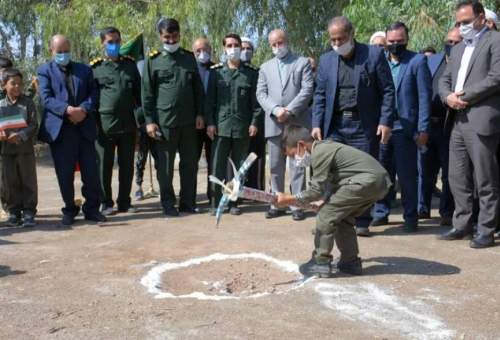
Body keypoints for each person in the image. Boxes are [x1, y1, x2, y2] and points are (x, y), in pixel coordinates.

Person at [311, 16, 395, 236]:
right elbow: (319, 95)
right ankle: (333, 218)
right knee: (333, 173)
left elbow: (387, 90)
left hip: (363, 125)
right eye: (333, 40)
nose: (337, 44)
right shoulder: (327, 60)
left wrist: (385, 121)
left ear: (352, 34)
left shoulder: (373, 55)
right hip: (335, 125)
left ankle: (362, 221)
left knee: (363, 175)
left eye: (341, 38)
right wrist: (316, 123)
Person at [276, 125, 391, 277]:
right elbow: (331, 182)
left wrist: (289, 199)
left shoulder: (320, 152)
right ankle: (350, 263)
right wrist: (324, 199)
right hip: (376, 182)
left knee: (326, 214)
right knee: (342, 218)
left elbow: (315, 190)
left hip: (367, 181)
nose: (295, 160)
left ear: (301, 145)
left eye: (292, 155)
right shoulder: (323, 148)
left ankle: (320, 262)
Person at [438, 0, 500, 248]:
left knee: (485, 178)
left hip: (481, 118)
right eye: (459, 23)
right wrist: (447, 96)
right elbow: (444, 79)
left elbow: (497, 77)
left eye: (466, 22)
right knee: (457, 176)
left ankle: (486, 229)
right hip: (457, 119)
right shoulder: (459, 48)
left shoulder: (495, 41)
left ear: (481, 17)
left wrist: (464, 96)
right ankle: (461, 224)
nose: (462, 27)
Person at [37, 34, 105, 226]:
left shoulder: (84, 69)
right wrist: (67, 110)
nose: (63, 55)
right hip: (61, 129)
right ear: (51, 51)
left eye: (66, 51)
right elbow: (46, 98)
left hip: (84, 127)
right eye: (59, 52)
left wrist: (83, 109)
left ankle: (92, 209)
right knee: (65, 173)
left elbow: (94, 92)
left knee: (90, 172)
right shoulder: (44, 71)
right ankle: (69, 209)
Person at [372, 22, 432, 232]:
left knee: (407, 176)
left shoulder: (417, 61)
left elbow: (425, 97)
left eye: (399, 41)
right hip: (382, 127)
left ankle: (410, 217)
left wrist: (423, 129)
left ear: (407, 40)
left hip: (406, 129)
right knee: (382, 173)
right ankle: (380, 213)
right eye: (391, 42)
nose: (395, 45)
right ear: (386, 41)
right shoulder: (379, 61)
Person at [142, 18, 205, 216]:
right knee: (165, 168)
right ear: (160, 36)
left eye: (174, 36)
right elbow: (147, 94)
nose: (171, 40)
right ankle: (168, 204)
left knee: (189, 164)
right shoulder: (153, 60)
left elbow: (198, 90)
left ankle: (188, 202)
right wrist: (150, 121)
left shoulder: (188, 58)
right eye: (166, 37)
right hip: (164, 123)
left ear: (179, 34)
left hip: (188, 122)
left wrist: (200, 114)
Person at [256, 29, 314, 221]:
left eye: (280, 43)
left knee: (299, 164)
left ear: (287, 41)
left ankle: (297, 204)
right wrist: (275, 110)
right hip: (274, 122)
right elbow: (261, 94)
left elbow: (307, 90)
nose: (277, 47)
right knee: (274, 165)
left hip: (297, 122)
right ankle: (276, 202)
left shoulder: (302, 62)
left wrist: (288, 110)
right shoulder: (265, 67)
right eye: (273, 44)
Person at [205, 33, 262, 215]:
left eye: (236, 45)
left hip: (242, 127)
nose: (233, 49)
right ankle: (215, 202)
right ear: (224, 48)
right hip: (221, 127)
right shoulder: (216, 72)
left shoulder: (251, 73)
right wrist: (210, 123)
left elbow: (256, 103)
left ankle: (234, 203)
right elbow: (209, 101)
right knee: (217, 165)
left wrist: (254, 122)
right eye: (229, 45)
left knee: (239, 168)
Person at [91, 27, 141, 216]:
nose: (114, 45)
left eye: (117, 41)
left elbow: (139, 96)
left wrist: (141, 122)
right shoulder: (95, 68)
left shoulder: (130, 65)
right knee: (104, 165)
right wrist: (93, 123)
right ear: (102, 43)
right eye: (110, 42)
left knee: (127, 165)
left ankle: (124, 202)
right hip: (105, 125)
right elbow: (92, 98)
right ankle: (106, 202)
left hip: (128, 123)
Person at [417, 27, 462, 226]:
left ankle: (446, 212)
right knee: (425, 170)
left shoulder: (463, 65)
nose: (451, 45)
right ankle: (422, 208)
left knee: (448, 172)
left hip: (449, 126)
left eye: (456, 42)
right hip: (428, 124)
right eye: (449, 41)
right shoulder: (431, 61)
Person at [0, 68, 38, 228]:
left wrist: (21, 135)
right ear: (3, 85)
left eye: (20, 84)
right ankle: (13, 212)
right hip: (5, 151)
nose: (17, 87)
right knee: (8, 182)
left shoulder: (28, 103)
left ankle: (29, 212)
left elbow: (34, 125)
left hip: (25, 151)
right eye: (13, 83)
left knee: (28, 180)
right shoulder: (0, 105)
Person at [241, 37, 266, 191]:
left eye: (248, 48)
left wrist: (256, 121)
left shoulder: (259, 72)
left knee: (256, 156)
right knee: (237, 158)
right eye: (242, 48)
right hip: (238, 122)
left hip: (256, 121)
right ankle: (238, 190)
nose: (245, 51)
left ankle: (255, 188)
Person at [192, 37, 214, 202]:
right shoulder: (190, 69)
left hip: (213, 123)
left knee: (213, 161)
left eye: (205, 49)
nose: (202, 53)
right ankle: (190, 197)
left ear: (211, 50)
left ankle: (213, 195)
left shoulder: (218, 69)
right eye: (198, 51)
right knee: (192, 161)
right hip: (194, 124)